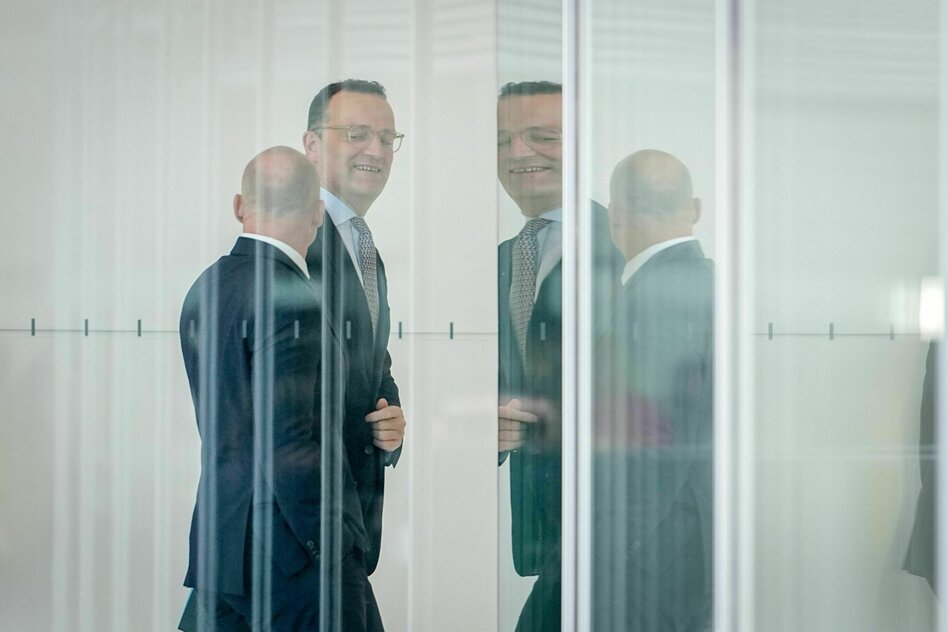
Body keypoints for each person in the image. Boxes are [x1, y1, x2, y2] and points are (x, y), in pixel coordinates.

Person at [179, 147, 375, 631]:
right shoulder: (291, 298)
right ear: (317, 213)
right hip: (292, 561)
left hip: (221, 552)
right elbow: (288, 440)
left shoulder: (205, 287)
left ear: (239, 206)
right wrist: (330, 544)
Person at [496, 80, 623, 631]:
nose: (519, 152)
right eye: (502, 140)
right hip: (546, 524)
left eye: (542, 136)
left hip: (619, 525)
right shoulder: (502, 257)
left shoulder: (624, 246)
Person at [301, 79, 408, 630]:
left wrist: (389, 413)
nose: (376, 149)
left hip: (344, 529)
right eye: (357, 134)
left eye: (387, 138)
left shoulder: (362, 244)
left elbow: (371, 363)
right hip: (305, 534)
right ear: (312, 145)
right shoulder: (293, 240)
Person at [592, 149, 714, 631]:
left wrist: (615, 549)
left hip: (650, 556)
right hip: (688, 543)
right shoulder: (709, 282)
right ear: (695, 209)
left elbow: (651, 439)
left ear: (617, 215)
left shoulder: (655, 295)